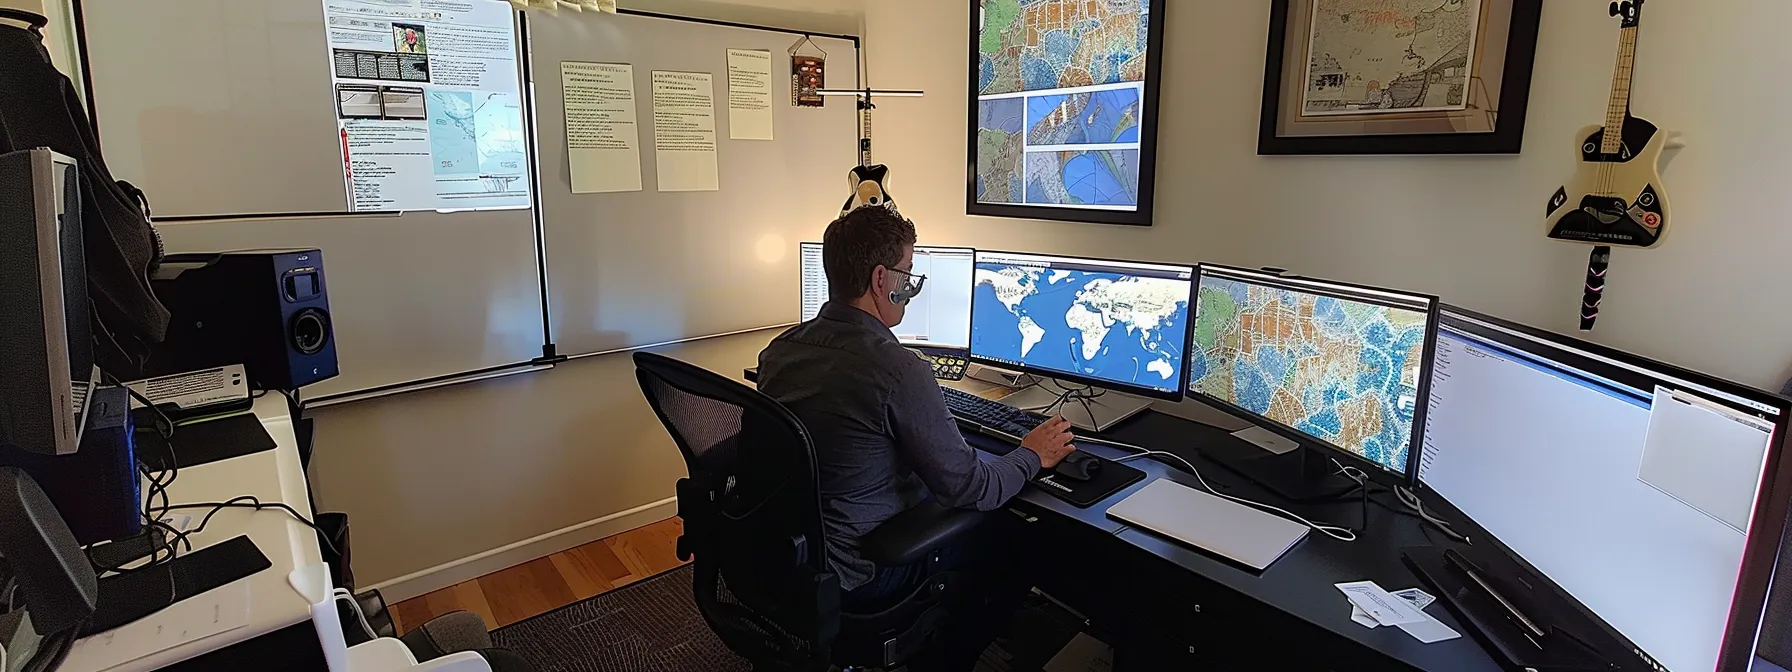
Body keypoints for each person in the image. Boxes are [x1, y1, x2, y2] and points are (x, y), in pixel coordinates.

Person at [756, 206, 1077, 670]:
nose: (909, 286)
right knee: (1018, 539)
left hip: (795, 552)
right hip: (865, 569)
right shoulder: (899, 369)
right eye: (908, 273)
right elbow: (971, 487)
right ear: (881, 279)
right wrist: (1031, 455)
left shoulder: (780, 350)